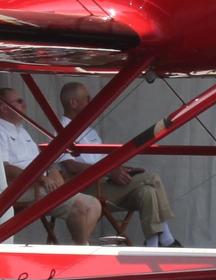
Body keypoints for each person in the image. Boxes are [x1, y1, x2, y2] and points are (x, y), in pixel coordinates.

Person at [57, 81, 178, 246]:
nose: (91, 101)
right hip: (88, 189)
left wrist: (120, 170)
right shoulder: (59, 129)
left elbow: (104, 162)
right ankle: (168, 240)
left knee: (147, 192)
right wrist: (108, 172)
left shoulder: (89, 131)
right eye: (87, 98)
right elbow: (70, 166)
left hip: (107, 184)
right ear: (73, 103)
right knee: (152, 178)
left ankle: (153, 246)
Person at [0, 86, 101, 244]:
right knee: (81, 206)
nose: (25, 105)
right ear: (4, 107)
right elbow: (3, 167)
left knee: (94, 204)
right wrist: (39, 179)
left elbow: (42, 158)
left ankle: (77, 250)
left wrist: (53, 169)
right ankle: (79, 253)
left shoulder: (21, 130)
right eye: (19, 102)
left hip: (40, 184)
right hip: (18, 189)